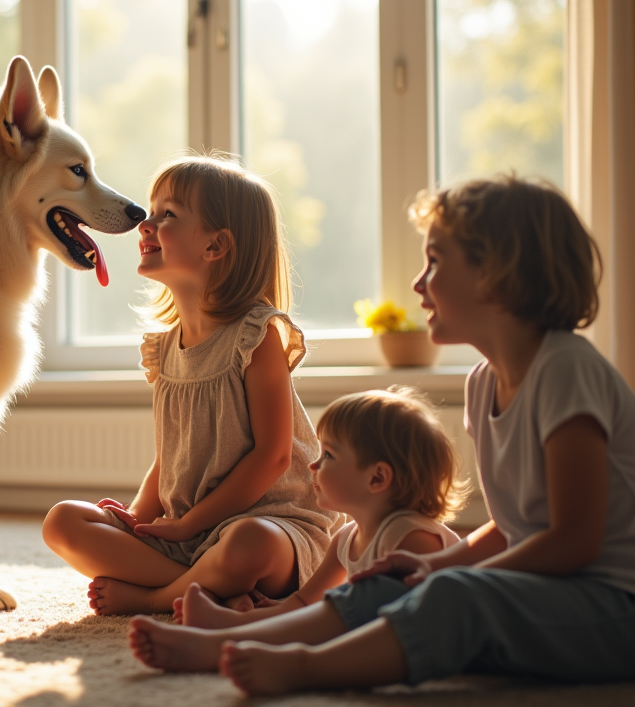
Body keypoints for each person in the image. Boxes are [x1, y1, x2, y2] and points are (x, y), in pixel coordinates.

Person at [127, 175, 635, 695]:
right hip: (545, 590)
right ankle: (230, 639)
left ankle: (305, 667)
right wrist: (431, 563)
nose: (419, 283)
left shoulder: (566, 370)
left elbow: (574, 541)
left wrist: (450, 576)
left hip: (611, 608)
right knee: (388, 583)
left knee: (455, 597)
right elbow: (512, 527)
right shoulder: (484, 384)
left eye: (436, 261)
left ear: (498, 275)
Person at [41, 154, 339, 616]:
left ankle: (159, 596)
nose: (146, 223)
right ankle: (208, 587)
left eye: (168, 216)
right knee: (62, 521)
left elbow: (273, 455)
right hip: (192, 532)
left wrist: (189, 525)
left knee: (248, 542)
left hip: (273, 525)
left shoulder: (255, 337)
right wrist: (140, 518)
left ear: (215, 246)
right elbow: (171, 454)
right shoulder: (163, 349)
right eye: (151, 209)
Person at [175, 387, 466, 632]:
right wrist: (268, 610)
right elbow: (303, 603)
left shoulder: (411, 539)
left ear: (376, 478)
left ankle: (223, 628)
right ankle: (228, 624)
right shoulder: (345, 538)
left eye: (328, 455)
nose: (313, 465)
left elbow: (410, 621)